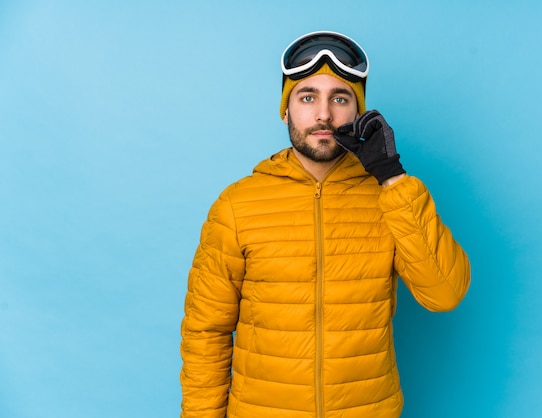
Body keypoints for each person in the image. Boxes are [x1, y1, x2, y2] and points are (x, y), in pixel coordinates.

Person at [180, 30, 471, 418]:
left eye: (339, 98)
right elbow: (206, 333)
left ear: (358, 111)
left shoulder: (391, 198)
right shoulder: (237, 205)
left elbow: (445, 293)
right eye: (307, 96)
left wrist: (391, 175)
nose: (323, 114)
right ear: (285, 109)